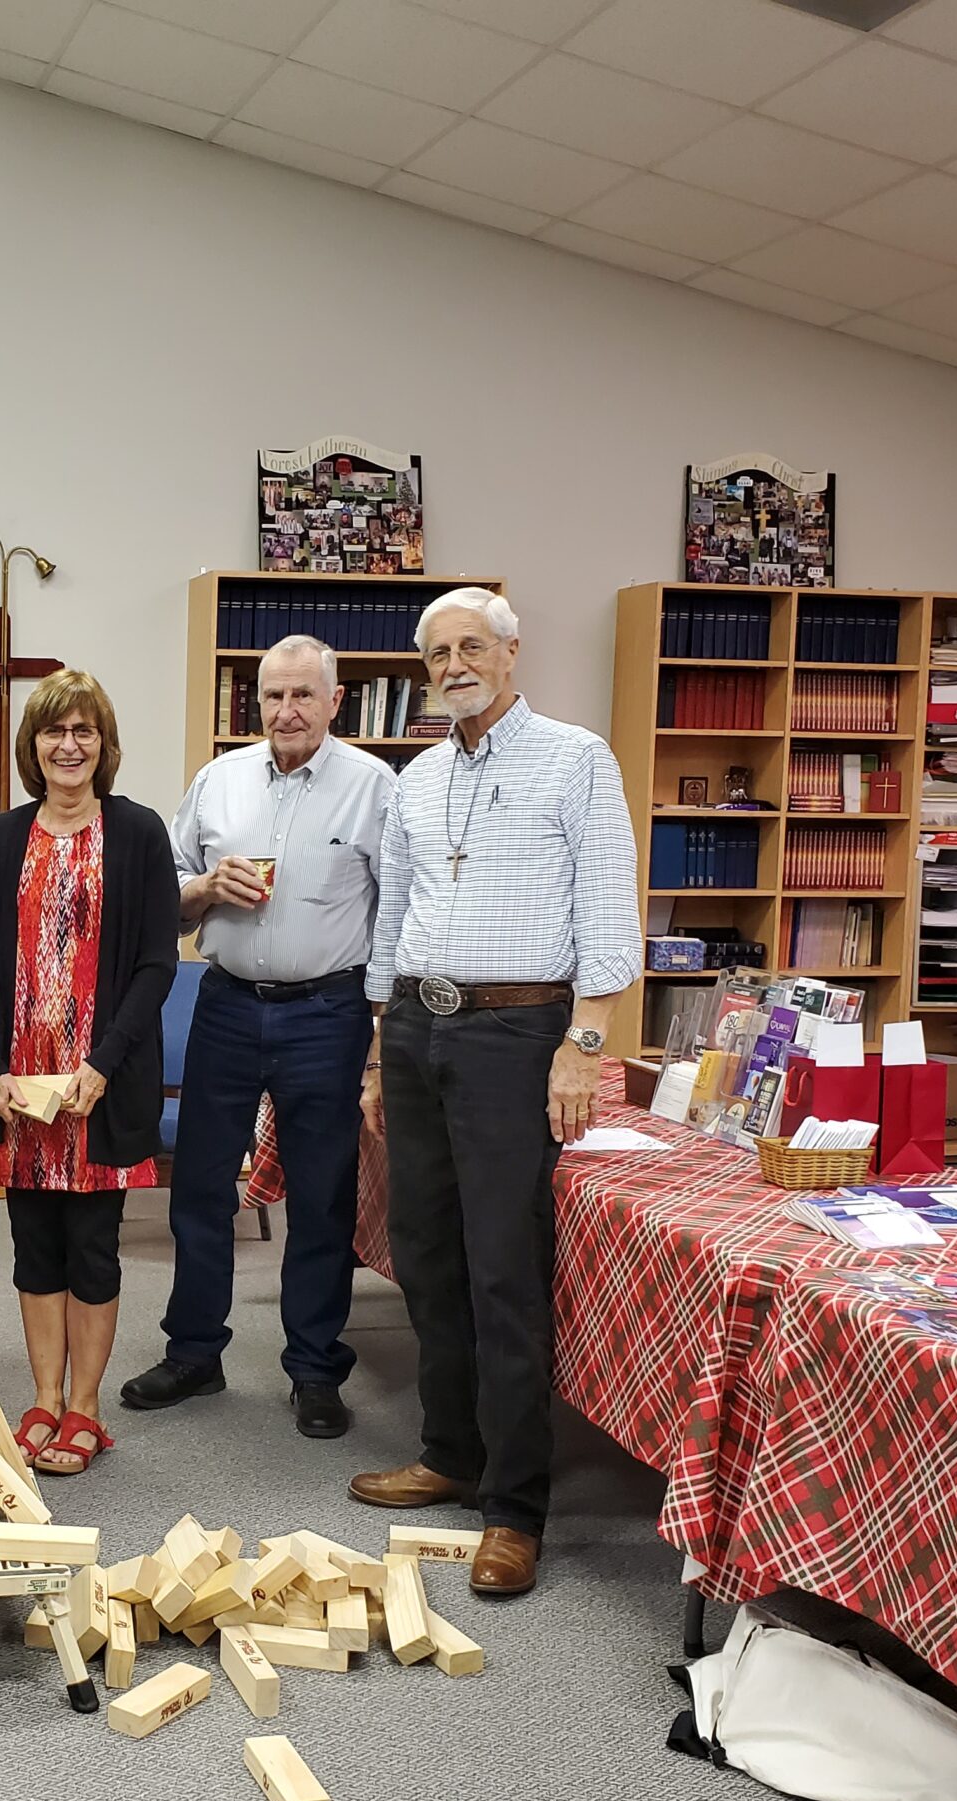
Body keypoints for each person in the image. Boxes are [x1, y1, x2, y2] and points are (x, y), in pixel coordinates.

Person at [350, 589, 639, 1601]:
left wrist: (583, 1044)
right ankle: (451, 1452)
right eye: (437, 653)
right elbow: (394, 913)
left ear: (512, 652)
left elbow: (608, 907)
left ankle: (514, 1507)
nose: (454, 665)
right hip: (417, 1027)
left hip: (518, 1033)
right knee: (426, 1255)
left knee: (503, 1270)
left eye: (472, 646)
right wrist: (380, 1049)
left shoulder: (575, 759)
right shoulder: (417, 777)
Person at [120, 638, 393, 1440]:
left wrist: (382, 1037)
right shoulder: (219, 780)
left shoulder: (374, 787)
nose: (287, 711)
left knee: (321, 1196)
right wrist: (204, 887)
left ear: (335, 701)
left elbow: (400, 913)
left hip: (329, 1012)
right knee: (202, 1189)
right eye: (274, 696)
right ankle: (194, 1352)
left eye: (304, 695)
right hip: (228, 1004)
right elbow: (165, 895)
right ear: (257, 701)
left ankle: (314, 1368)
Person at [0, 671, 178, 1475]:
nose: (68, 745)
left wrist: (102, 1063)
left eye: (83, 730)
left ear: (103, 743)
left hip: (101, 1086)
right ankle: (44, 1399)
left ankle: (85, 1406)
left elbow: (157, 963)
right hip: (20, 1092)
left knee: (92, 1247)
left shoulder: (139, 833)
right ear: (34, 745)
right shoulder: (2, 839)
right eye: (54, 731)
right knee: (34, 1247)